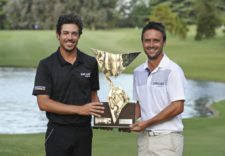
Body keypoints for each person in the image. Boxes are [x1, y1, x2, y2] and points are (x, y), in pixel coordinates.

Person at [32, 14, 104, 156]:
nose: (70, 38)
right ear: (58, 35)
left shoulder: (90, 63)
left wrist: (107, 119)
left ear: (79, 36)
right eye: (65, 33)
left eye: (74, 34)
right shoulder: (46, 65)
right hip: (57, 132)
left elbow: (93, 96)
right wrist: (80, 109)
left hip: (83, 132)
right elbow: (43, 103)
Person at [130, 21, 186, 156]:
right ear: (142, 42)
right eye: (147, 41)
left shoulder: (173, 70)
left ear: (163, 42)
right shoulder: (138, 72)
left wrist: (147, 122)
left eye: (156, 41)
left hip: (167, 139)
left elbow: (178, 106)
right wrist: (117, 120)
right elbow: (138, 105)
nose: (151, 45)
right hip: (144, 140)